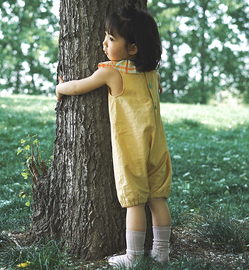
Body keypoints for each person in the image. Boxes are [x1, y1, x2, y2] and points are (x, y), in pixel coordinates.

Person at [56, 0, 172, 267]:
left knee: (134, 201)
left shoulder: (112, 72)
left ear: (132, 48)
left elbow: (78, 87)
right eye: (105, 38)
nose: (104, 44)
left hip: (132, 147)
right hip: (157, 146)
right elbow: (157, 93)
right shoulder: (152, 73)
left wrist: (60, 89)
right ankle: (162, 252)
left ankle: (133, 257)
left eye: (110, 38)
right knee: (157, 199)